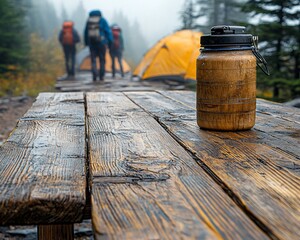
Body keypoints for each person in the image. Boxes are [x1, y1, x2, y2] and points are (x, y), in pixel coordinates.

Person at [84, 10, 113, 81]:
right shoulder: (103, 20)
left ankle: (94, 75)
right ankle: (101, 76)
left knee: (93, 60)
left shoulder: (89, 21)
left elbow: (85, 33)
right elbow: (108, 32)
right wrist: (110, 42)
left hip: (92, 44)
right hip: (101, 43)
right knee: (102, 60)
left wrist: (87, 43)